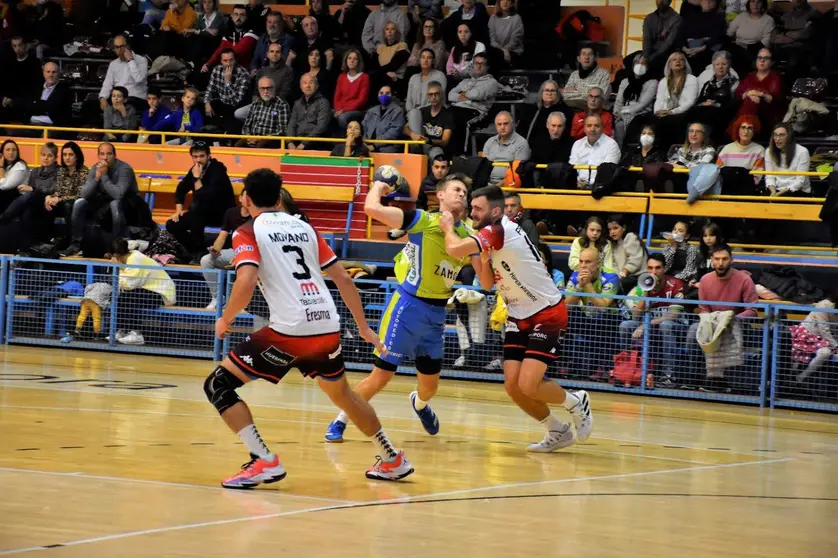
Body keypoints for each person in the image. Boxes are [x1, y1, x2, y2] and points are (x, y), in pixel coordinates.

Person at [210, 168, 413, 486]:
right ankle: (392, 458)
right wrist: (363, 327)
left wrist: (226, 318)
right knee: (344, 396)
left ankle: (263, 460)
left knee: (218, 385)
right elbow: (344, 278)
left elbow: (246, 279)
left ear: (245, 198)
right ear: (279, 198)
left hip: (291, 330)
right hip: (326, 325)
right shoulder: (304, 228)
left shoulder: (246, 230)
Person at [440, 185, 593, 452]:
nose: (473, 213)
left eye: (478, 208)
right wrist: (478, 255)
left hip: (546, 311)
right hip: (517, 314)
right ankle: (557, 430)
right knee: (513, 386)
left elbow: (453, 249)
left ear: (495, 211)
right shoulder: (488, 235)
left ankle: (575, 401)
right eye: (472, 207)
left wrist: (448, 226)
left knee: (528, 383)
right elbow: (487, 283)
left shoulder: (499, 230)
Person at [324, 174, 474, 442]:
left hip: (437, 314)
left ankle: (419, 403)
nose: (461, 194)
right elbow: (372, 209)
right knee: (382, 375)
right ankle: (341, 419)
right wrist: (378, 187)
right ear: (439, 195)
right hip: (407, 308)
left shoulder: (467, 235)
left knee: (430, 387)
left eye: (465, 191)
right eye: (456, 189)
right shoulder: (423, 220)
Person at [61, 143, 145, 257]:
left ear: (115, 155)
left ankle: (117, 248)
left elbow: (118, 195)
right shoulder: (96, 167)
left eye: (109, 154)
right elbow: (84, 194)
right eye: (102, 154)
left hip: (128, 206)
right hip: (104, 206)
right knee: (79, 203)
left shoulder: (125, 169)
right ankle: (75, 245)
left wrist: (104, 176)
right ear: (98, 156)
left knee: (115, 204)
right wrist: (96, 178)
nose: (105, 157)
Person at [619, 253, 686, 385]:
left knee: (665, 325)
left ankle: (668, 375)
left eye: (657, 268)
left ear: (665, 268)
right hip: (650, 326)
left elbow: (674, 315)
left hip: (676, 327)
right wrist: (645, 291)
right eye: (650, 268)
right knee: (626, 325)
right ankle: (628, 370)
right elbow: (636, 315)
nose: (653, 272)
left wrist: (645, 325)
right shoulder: (640, 286)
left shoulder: (676, 284)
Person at [167, 142, 236, 260]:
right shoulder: (195, 170)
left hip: (222, 213)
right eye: (195, 157)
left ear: (209, 156)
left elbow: (205, 197)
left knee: (196, 211)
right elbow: (181, 189)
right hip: (201, 213)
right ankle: (197, 250)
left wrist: (197, 178)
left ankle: (198, 252)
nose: (198, 160)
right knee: (173, 224)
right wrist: (178, 211)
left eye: (202, 156)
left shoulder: (217, 171)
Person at [110, 237, 177, 346]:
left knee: (128, 297)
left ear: (116, 255)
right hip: (148, 289)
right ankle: (122, 331)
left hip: (162, 294)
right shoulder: (130, 257)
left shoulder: (134, 259)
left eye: (113, 256)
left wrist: (118, 267)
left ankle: (137, 334)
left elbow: (129, 285)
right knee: (123, 297)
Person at [764, 123, 811, 196]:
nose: (777, 139)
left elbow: (799, 182)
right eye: (775, 135)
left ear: (789, 137)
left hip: (797, 191)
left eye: (781, 135)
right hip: (776, 189)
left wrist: (779, 194)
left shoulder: (802, 151)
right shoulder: (769, 151)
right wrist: (773, 192)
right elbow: (769, 177)